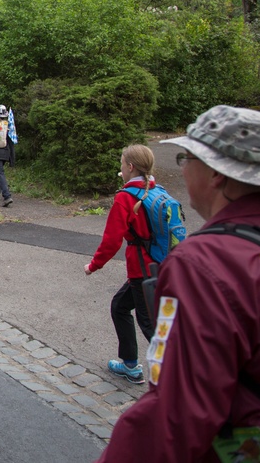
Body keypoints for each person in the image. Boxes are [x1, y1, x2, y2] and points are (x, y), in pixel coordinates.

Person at [99, 105, 260, 462]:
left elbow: (175, 414)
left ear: (217, 174)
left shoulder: (206, 263)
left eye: (185, 157)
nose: (182, 167)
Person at [83, 145, 159, 385]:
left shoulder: (126, 197)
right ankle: (129, 364)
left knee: (149, 324)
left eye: (121, 164)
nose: (120, 169)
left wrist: (94, 265)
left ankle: (182, 376)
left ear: (130, 167)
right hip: (162, 265)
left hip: (142, 270)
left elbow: (112, 240)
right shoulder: (158, 191)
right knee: (120, 306)